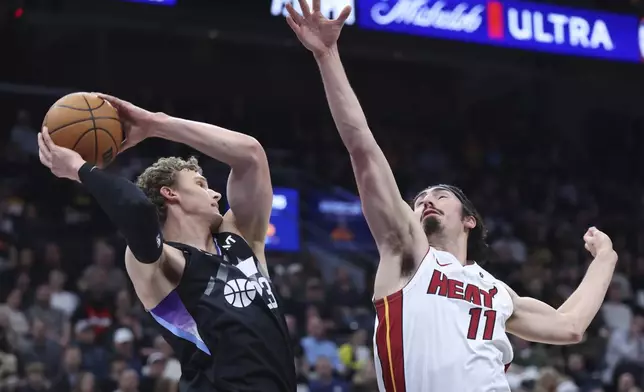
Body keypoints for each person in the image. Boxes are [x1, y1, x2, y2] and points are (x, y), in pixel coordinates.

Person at [285, 1, 619, 391]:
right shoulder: (407, 255)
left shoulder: (497, 291)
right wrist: (328, 56)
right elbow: (362, 148)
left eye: (440, 195)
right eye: (420, 197)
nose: (427, 199)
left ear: (469, 219)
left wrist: (606, 257)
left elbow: (570, 326)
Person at [36, 95, 296, 392]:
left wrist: (156, 124)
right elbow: (137, 210)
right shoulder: (163, 265)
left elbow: (251, 154)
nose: (216, 195)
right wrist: (80, 170)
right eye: (200, 185)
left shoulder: (240, 237)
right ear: (170, 194)